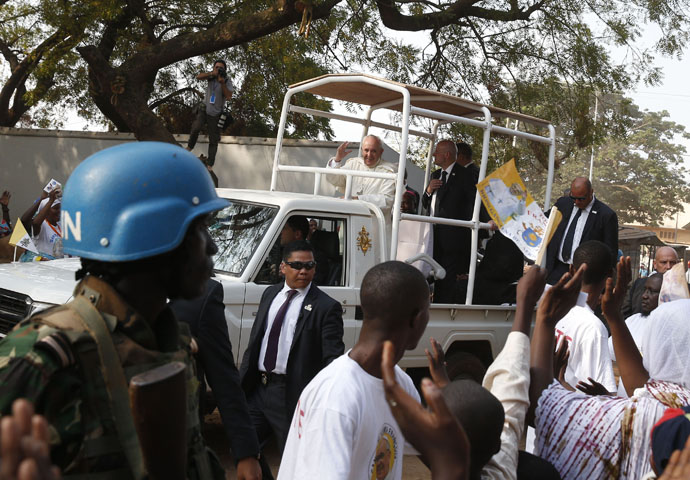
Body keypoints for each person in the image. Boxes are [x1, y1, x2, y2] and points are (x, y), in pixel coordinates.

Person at [0, 142, 229, 478]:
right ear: (145, 234)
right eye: (198, 229)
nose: (212, 245)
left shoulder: (173, 344)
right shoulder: (42, 360)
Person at [531, 256, 690, 479]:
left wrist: (544, 320)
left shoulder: (650, 415)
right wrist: (613, 315)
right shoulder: (671, 406)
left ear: (656, 344)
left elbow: (545, 406)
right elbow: (643, 388)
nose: (645, 295)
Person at [277, 261, 430, 480]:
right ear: (416, 319)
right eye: (428, 309)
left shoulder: (400, 384)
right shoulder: (337, 398)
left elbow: (431, 448)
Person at [240, 240, 344, 480]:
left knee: (295, 458)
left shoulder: (326, 307)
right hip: (258, 389)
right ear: (282, 267)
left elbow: (332, 358)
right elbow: (257, 341)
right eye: (297, 265)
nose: (304, 271)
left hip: (291, 395)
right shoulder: (270, 294)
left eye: (309, 265)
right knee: (243, 446)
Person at [170, 278, 261, 480]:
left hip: (178, 441)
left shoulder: (202, 294)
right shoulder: (101, 286)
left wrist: (246, 453)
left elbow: (225, 380)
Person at [421, 140, 490, 303]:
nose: (434, 155)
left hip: (455, 240)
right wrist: (429, 190)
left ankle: (443, 310)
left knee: (448, 282)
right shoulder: (435, 175)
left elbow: (474, 205)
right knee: (434, 277)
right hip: (434, 237)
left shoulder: (466, 176)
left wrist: (482, 229)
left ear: (447, 154)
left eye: (437, 152)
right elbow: (425, 203)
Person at [553, 240, 617, 393]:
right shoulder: (593, 328)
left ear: (572, 269)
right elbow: (598, 398)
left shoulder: (554, 310)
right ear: (610, 274)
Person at [545, 177, 618, 285]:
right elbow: (544, 220)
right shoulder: (563, 204)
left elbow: (610, 253)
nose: (577, 202)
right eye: (573, 197)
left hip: (585, 276)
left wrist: (602, 285)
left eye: (581, 199)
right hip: (556, 270)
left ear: (591, 192)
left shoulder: (606, 215)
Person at [608, 273, 663, 397]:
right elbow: (609, 356)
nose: (644, 296)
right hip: (624, 405)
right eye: (645, 290)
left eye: (652, 292)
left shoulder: (671, 330)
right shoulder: (633, 320)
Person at [325, 135, 397, 218]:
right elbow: (334, 179)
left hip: (375, 225)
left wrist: (357, 199)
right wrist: (337, 159)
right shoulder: (354, 164)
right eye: (366, 150)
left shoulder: (388, 171)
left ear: (381, 152)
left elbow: (387, 201)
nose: (369, 155)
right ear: (362, 150)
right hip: (351, 220)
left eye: (373, 151)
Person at [187, 59, 234, 168]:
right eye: (216, 67)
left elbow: (229, 96)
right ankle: (189, 147)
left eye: (220, 68)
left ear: (225, 70)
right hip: (204, 108)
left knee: (214, 140)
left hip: (216, 114)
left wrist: (222, 83)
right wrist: (211, 74)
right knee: (196, 127)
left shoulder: (227, 81)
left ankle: (210, 165)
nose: (218, 69)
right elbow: (198, 77)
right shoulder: (210, 76)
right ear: (213, 68)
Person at [622, 246, 678, 318]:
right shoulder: (639, 285)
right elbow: (625, 313)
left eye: (672, 262)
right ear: (655, 264)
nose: (668, 266)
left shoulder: (685, 290)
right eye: (663, 262)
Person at [20, 186, 63, 259]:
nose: (59, 211)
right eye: (56, 208)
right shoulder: (42, 224)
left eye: (61, 208)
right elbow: (27, 221)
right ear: (46, 210)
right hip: (41, 266)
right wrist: (49, 200)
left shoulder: (60, 225)